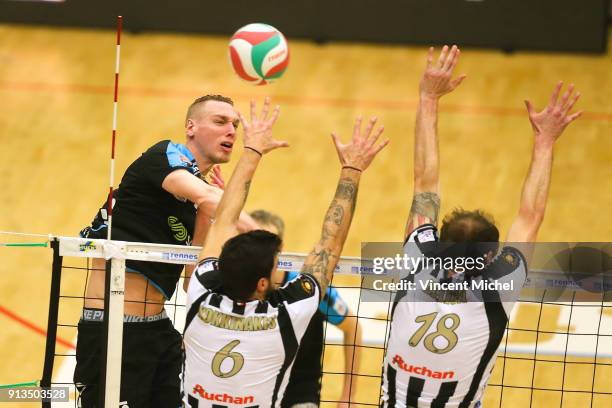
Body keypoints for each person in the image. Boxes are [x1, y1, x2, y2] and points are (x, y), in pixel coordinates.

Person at [381, 45, 582, 407]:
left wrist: (428, 98)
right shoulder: (500, 285)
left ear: (438, 241)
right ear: (491, 255)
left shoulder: (417, 257)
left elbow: (424, 183)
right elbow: (530, 216)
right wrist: (545, 142)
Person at [182, 101, 388, 407]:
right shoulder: (290, 314)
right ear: (263, 283)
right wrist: (352, 170)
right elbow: (329, 245)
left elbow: (223, 221)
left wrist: (251, 151)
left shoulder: (199, 290)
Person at [75, 94, 259, 407]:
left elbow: (193, 279)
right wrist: (260, 234)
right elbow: (207, 196)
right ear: (191, 126)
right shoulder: (164, 156)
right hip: (113, 329)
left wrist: (206, 215)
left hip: (157, 329)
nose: (231, 130)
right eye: (220, 121)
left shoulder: (194, 201)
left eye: (235, 125)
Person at [249, 209, 363, 407]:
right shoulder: (240, 285)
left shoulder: (308, 288)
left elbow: (353, 328)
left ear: (280, 248)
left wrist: (348, 396)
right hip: (254, 392)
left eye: (266, 244)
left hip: (299, 396)